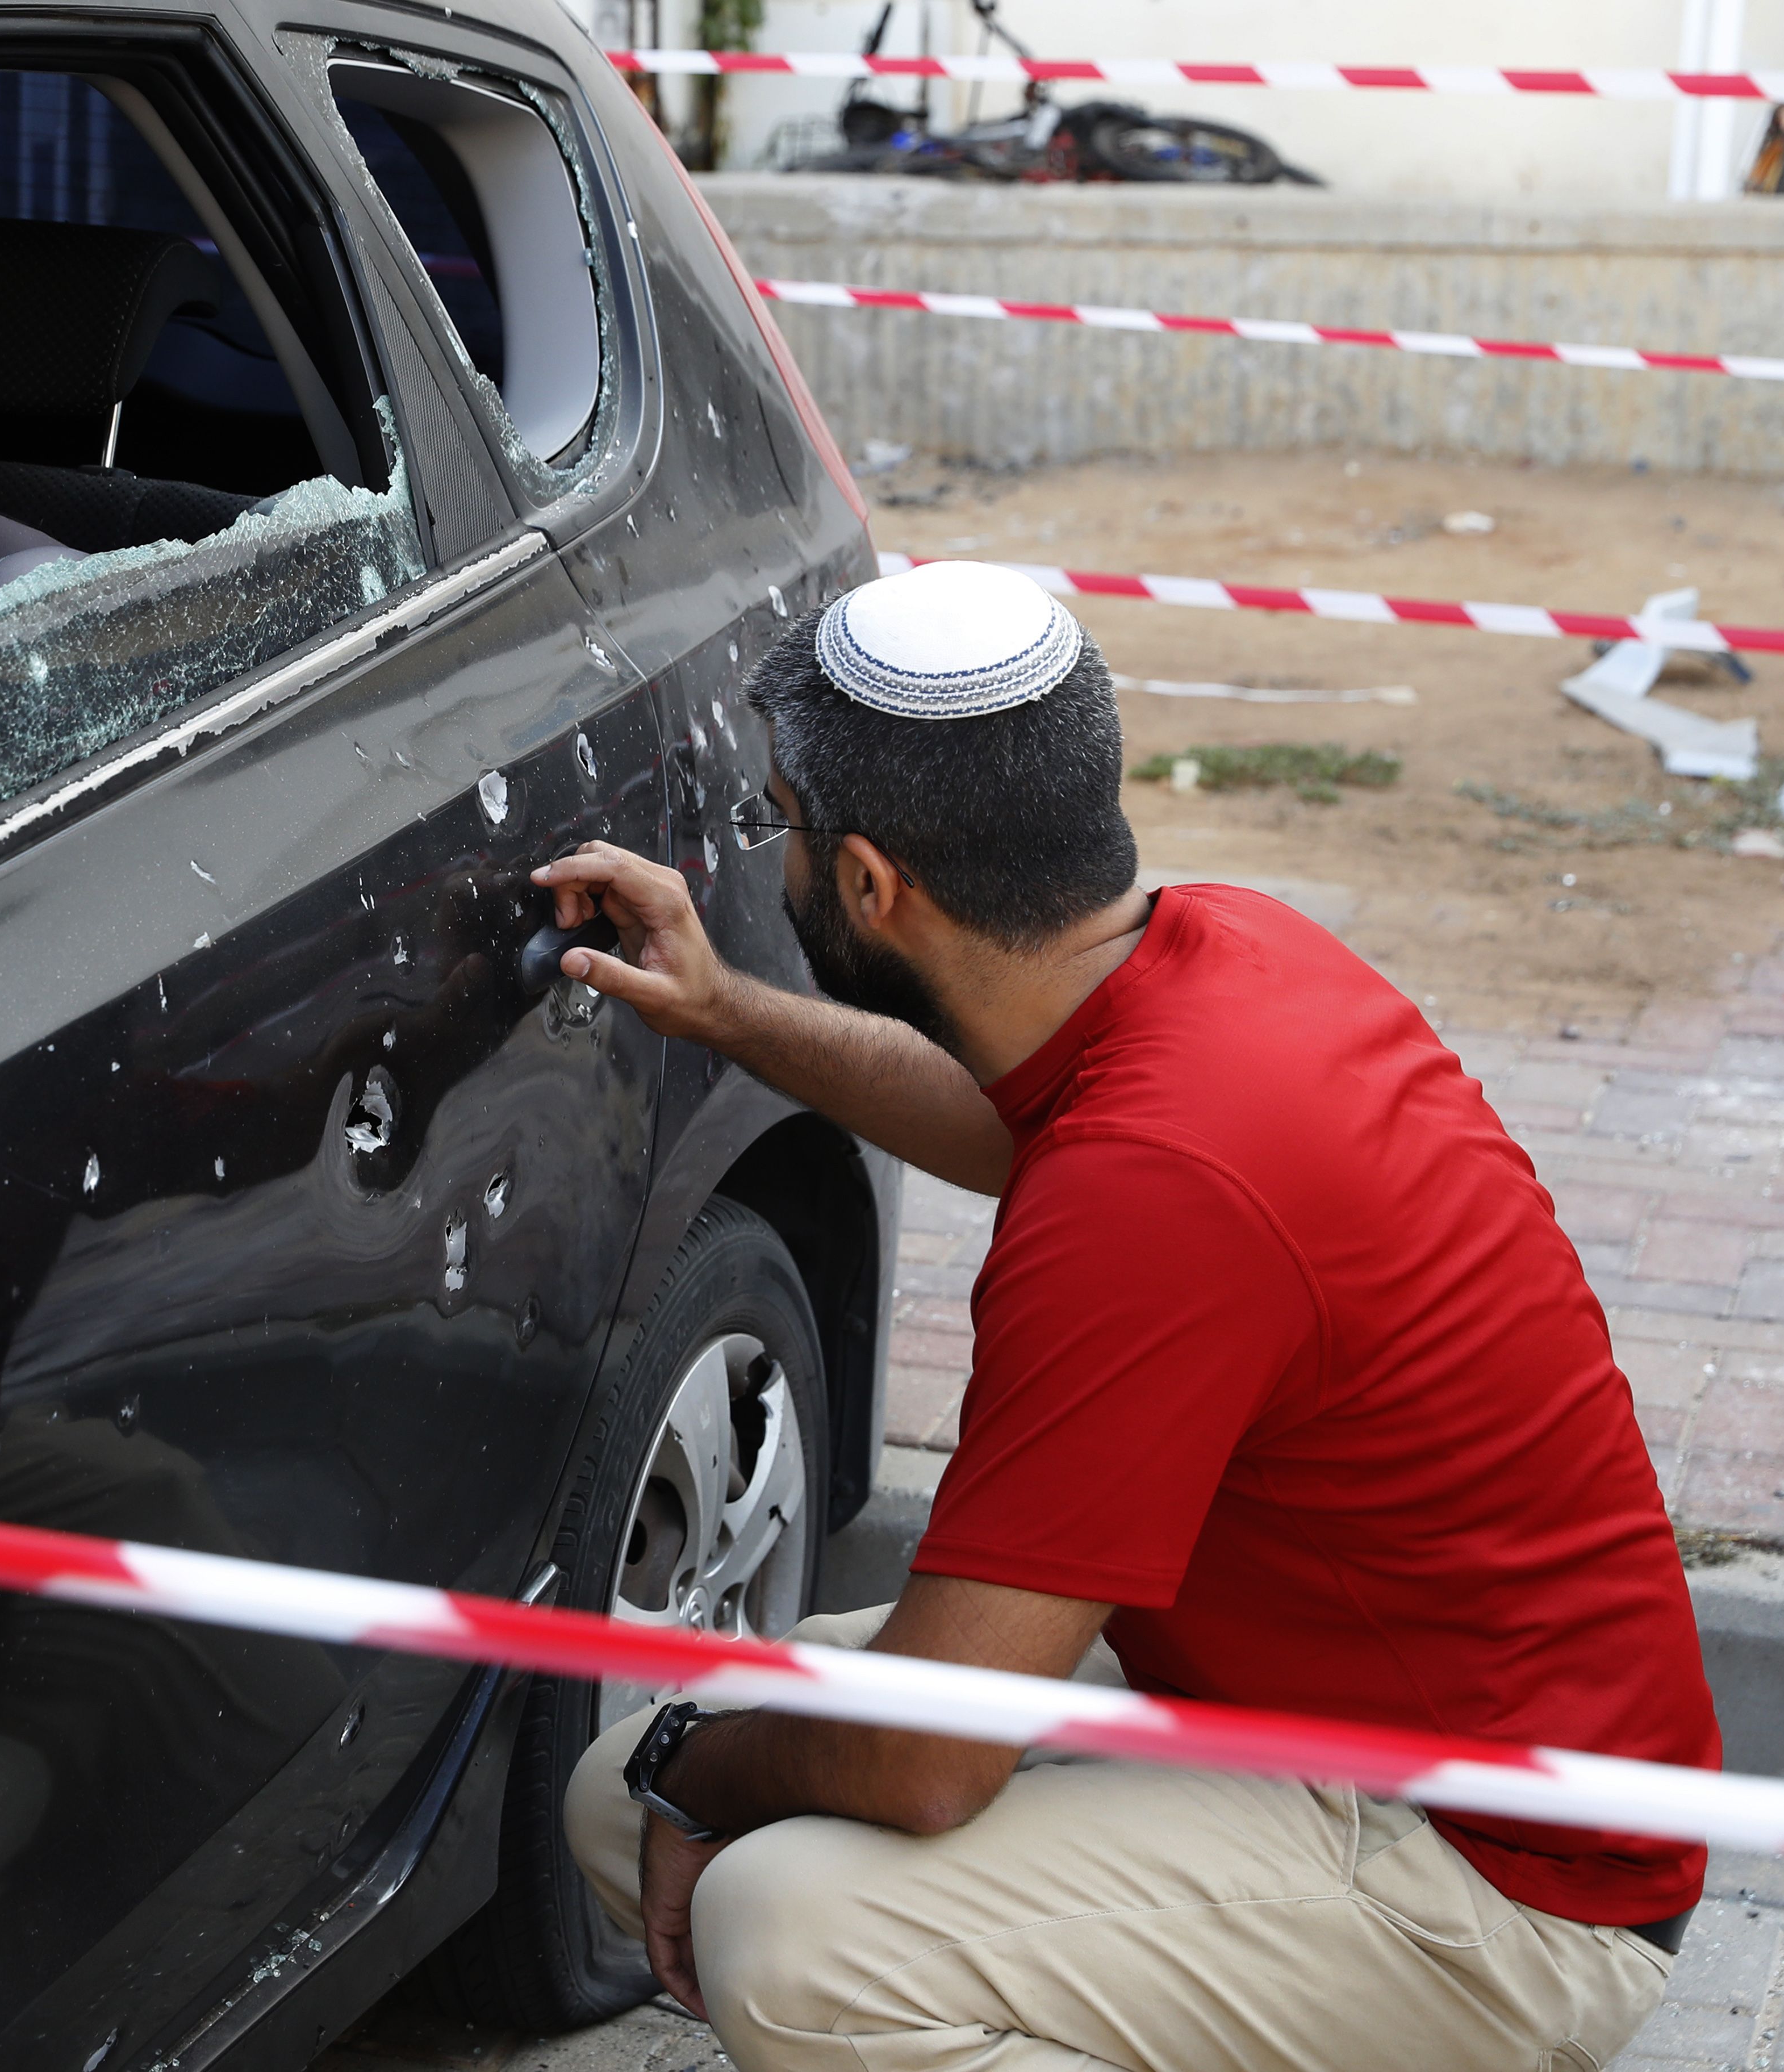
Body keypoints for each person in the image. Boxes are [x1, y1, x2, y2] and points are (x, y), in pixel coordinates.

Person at [530, 559, 1718, 2072]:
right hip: (1323, 1741)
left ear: (875, 886)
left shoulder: (1148, 1196)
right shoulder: (1221, 960)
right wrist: (726, 1009)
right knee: (623, 1790)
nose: (776, 861)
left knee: (796, 1935)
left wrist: (715, 1766)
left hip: (1503, 1889)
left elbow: (927, 1761)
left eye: (783, 825)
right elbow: (1003, 1121)